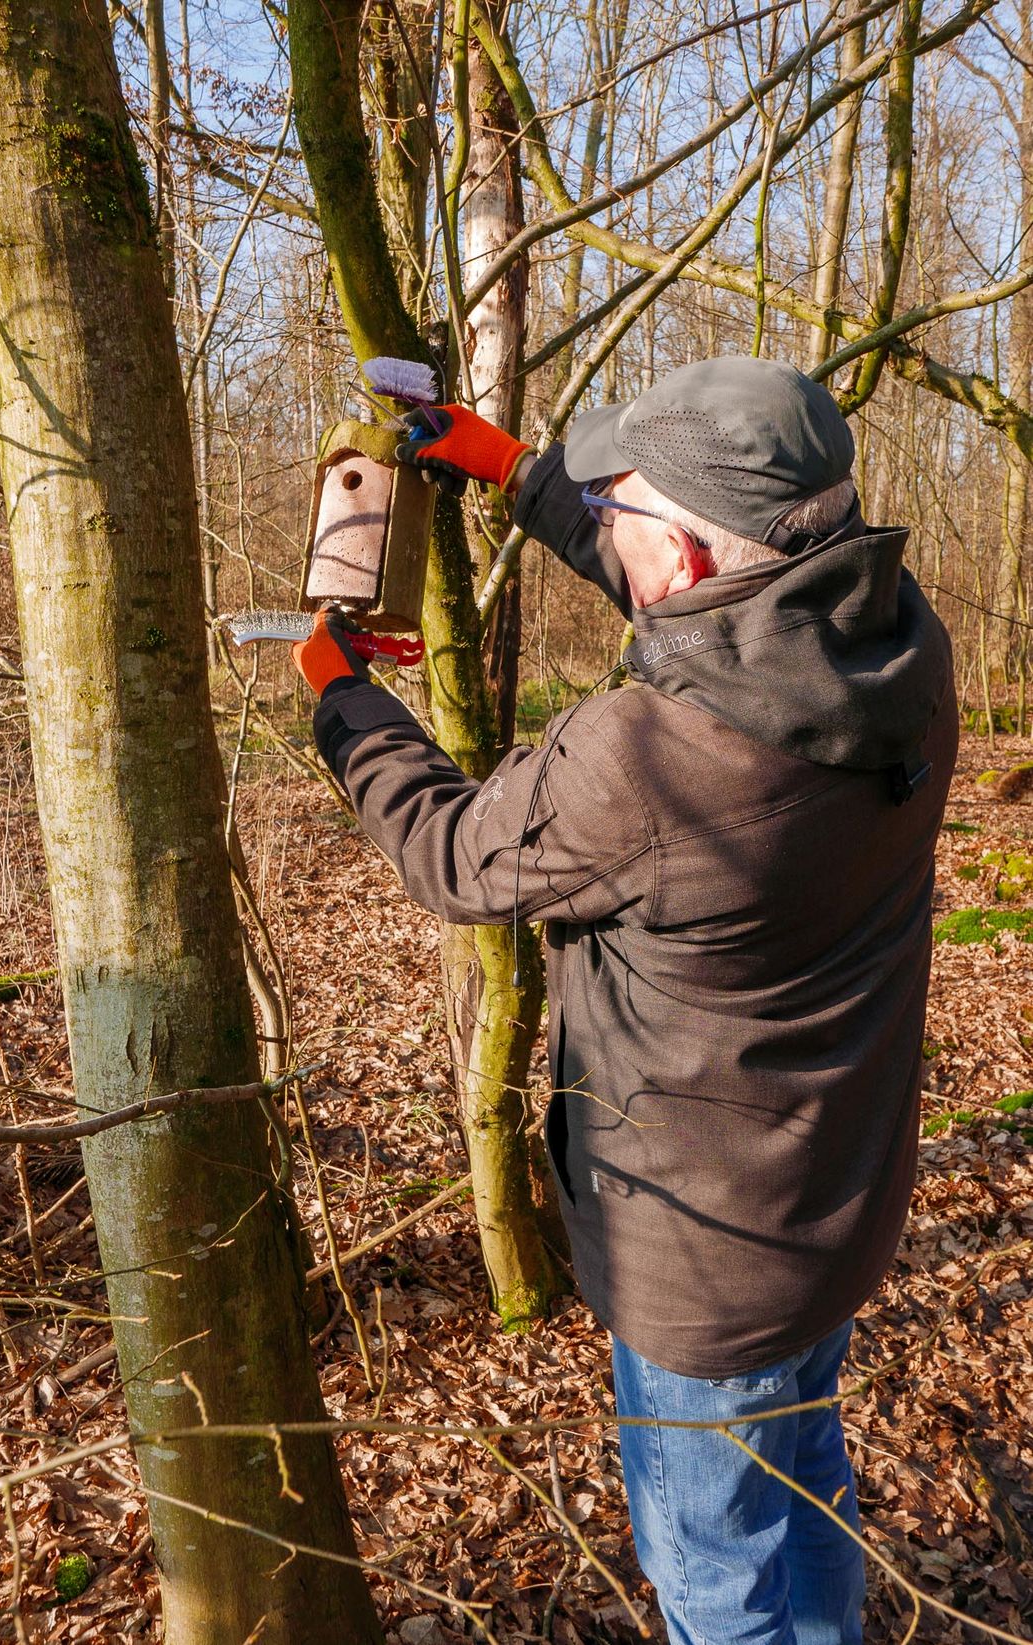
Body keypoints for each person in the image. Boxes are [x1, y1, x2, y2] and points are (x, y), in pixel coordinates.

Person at [293, 356, 958, 1645]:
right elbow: (723, 603)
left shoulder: (648, 762)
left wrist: (343, 696)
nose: (609, 522)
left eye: (623, 506)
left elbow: (451, 852)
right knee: (800, 1495)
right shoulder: (894, 647)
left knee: (719, 1575)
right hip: (835, 1200)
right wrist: (521, 480)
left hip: (705, 1266)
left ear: (694, 555)